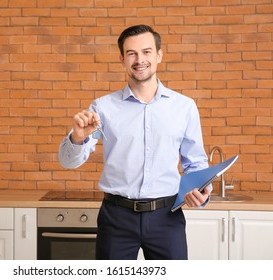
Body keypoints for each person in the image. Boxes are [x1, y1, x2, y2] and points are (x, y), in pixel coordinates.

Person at [58, 24, 211, 260]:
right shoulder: (103, 108)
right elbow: (68, 162)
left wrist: (201, 191)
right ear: (122, 59)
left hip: (167, 217)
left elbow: (195, 163)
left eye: (146, 52)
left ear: (159, 55)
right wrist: (78, 137)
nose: (140, 59)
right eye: (131, 53)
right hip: (116, 218)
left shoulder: (184, 107)